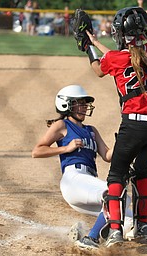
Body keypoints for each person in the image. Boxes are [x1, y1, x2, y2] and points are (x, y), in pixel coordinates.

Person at [84, 6, 147, 247]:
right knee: (141, 170)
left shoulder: (115, 58)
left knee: (116, 174)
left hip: (135, 126)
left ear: (121, 34)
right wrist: (95, 41)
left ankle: (114, 231)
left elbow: (99, 69)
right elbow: (123, 55)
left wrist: (85, 47)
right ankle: (142, 224)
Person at [32, 85, 133, 250]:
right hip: (74, 180)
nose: (84, 107)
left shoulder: (91, 130)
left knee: (129, 221)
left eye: (85, 104)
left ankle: (81, 232)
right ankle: (90, 239)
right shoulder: (61, 125)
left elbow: (107, 155)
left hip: (88, 183)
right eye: (79, 103)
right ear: (66, 105)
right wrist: (65, 148)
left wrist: (123, 142)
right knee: (117, 195)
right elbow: (37, 151)